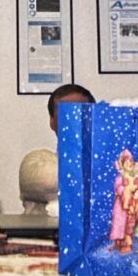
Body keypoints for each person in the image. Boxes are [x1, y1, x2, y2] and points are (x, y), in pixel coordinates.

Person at [19, 84, 96, 216]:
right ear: (52, 122)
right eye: (66, 114)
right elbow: (47, 181)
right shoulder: (35, 163)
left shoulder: (117, 162)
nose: (74, 121)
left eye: (82, 113)